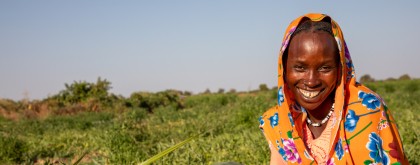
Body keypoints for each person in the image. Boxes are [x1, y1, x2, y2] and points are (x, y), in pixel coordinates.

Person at [258, 13, 408, 165]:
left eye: (325, 68)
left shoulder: (367, 110)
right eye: (300, 67)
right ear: (283, 69)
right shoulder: (278, 123)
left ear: (341, 68)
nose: (311, 81)